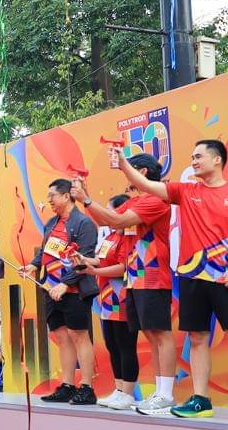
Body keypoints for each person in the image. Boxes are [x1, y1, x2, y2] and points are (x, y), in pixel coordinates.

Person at [119, 139, 228, 419]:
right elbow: (148, 186)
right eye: (192, 157)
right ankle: (200, 399)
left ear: (217, 159)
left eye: (198, 157)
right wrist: (124, 164)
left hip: (226, 277)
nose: (194, 161)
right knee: (197, 338)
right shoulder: (185, 191)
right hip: (192, 276)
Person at [72, 152, 177, 415]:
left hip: (153, 277)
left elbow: (116, 220)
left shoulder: (155, 200)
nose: (127, 187)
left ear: (141, 172)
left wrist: (86, 199)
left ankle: (166, 394)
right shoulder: (137, 202)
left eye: (130, 179)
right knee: (151, 335)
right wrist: (87, 197)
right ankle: (158, 391)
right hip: (135, 280)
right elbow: (107, 219)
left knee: (161, 335)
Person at [24, 178, 100, 405]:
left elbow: (84, 258)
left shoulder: (83, 224)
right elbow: (46, 251)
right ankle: (67, 385)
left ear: (66, 196)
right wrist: (33, 265)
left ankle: (87, 386)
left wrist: (65, 284)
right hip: (51, 289)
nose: (49, 201)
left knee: (79, 336)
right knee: (62, 337)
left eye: (52, 196)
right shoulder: (51, 223)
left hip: (73, 290)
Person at [72, 194, 139, 410]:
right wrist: (82, 260)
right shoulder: (110, 238)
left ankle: (128, 393)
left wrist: (95, 270)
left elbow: (123, 267)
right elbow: (100, 260)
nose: (107, 216)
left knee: (125, 344)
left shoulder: (130, 237)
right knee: (112, 344)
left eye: (111, 211)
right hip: (106, 298)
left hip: (123, 297)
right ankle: (119, 389)